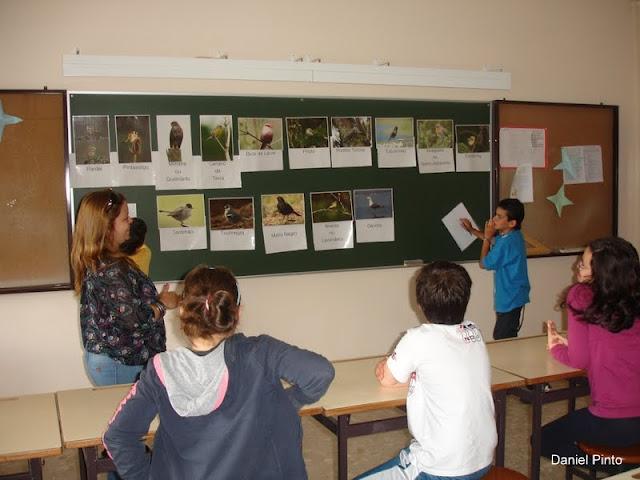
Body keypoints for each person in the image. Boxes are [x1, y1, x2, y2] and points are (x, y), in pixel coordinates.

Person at [103, 265, 335, 479]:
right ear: (237, 313)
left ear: (182, 312)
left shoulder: (159, 371)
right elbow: (320, 373)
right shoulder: (261, 353)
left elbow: (117, 436)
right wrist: (286, 402)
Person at [354, 261, 496, 480]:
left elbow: (387, 379)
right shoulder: (473, 331)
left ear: (419, 304)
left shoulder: (417, 338)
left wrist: (391, 363)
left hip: (439, 467)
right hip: (483, 460)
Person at [542, 237, 640, 473]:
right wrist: (577, 343)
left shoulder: (581, 295)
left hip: (613, 419)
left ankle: (617, 469)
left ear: (602, 274)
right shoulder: (633, 297)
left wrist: (557, 348)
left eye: (584, 265)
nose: (578, 267)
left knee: (543, 442)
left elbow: (579, 360)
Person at [70, 189, 179, 386]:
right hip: (120, 364)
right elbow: (135, 322)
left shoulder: (102, 261)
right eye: (125, 218)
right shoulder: (112, 270)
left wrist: (154, 301)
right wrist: (163, 304)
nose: (130, 221)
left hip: (117, 361)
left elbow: (124, 309)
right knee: (129, 416)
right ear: (107, 227)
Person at [460, 198, 530, 339]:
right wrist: (472, 230)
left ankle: (509, 361)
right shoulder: (512, 235)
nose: (494, 219)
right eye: (495, 214)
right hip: (513, 295)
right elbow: (493, 240)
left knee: (502, 337)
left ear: (512, 223)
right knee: (507, 335)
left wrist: (486, 238)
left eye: (499, 216)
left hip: (510, 298)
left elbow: (484, 263)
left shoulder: (507, 244)